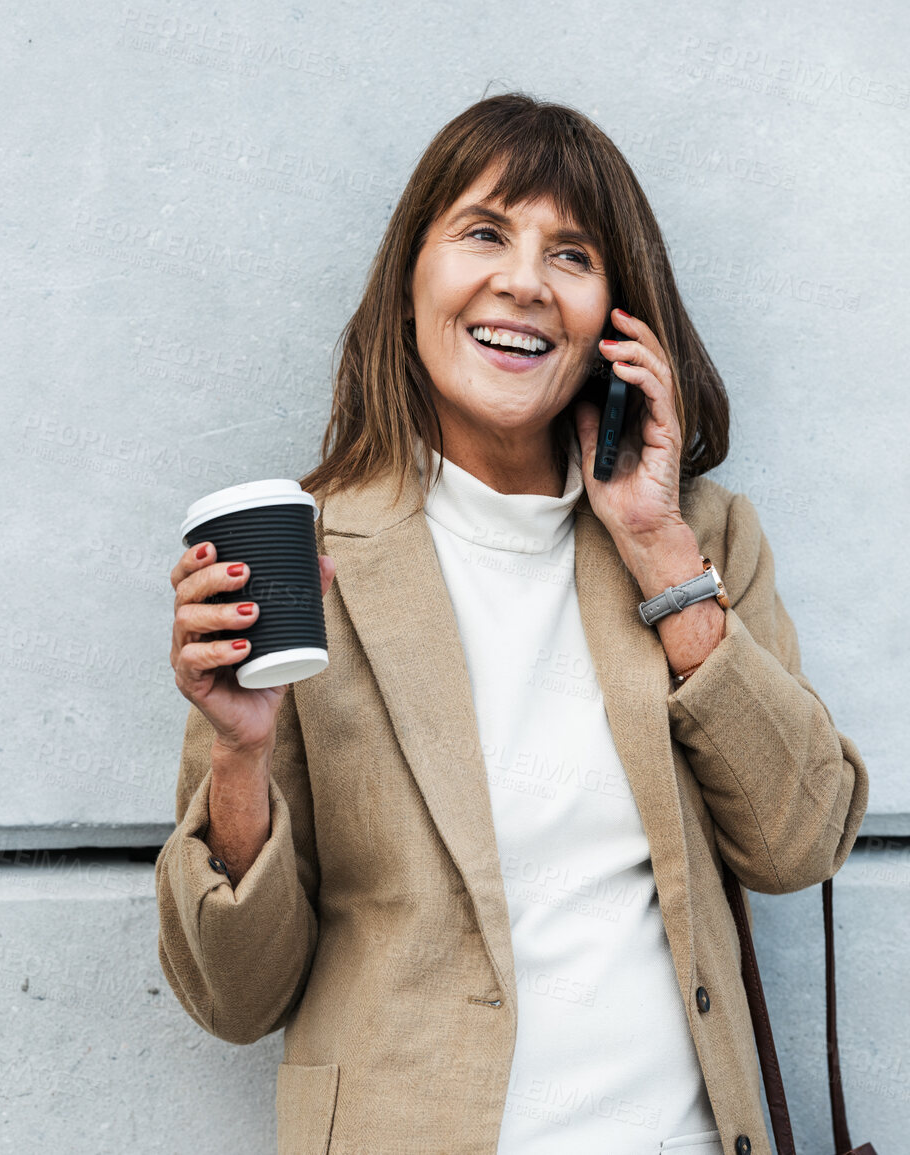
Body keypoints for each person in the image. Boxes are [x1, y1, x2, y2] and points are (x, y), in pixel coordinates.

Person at [157, 92, 869, 1155]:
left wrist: (662, 554)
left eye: (571, 254)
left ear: (616, 322)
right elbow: (236, 998)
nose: (524, 281)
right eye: (484, 233)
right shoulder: (304, 563)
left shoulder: (703, 537)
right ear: (412, 284)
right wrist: (239, 753)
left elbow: (800, 841)